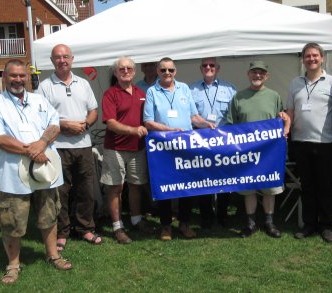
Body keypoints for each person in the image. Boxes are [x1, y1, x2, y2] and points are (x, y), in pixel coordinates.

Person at [0, 59, 73, 284]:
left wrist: (41, 144)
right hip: (12, 175)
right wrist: (32, 150)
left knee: (49, 214)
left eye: (22, 75)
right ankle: (13, 265)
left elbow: (55, 125)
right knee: (12, 220)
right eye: (13, 75)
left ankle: (53, 255)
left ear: (27, 76)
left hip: (45, 171)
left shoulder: (39, 100)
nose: (18, 79)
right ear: (5, 76)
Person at [143, 57, 216, 241]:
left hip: (185, 147)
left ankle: (184, 224)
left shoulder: (184, 88)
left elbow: (193, 117)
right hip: (163, 147)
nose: (167, 73)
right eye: (163, 70)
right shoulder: (152, 91)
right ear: (158, 72)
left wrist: (206, 123)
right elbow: (148, 121)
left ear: (175, 71)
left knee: (186, 186)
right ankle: (166, 226)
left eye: (170, 70)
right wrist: (169, 130)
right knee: (165, 186)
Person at [37, 44, 101, 248]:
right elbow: (40, 116)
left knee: (86, 189)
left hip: (83, 145)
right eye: (58, 57)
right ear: (52, 60)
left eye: (66, 56)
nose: (62, 60)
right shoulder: (44, 86)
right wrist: (64, 125)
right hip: (57, 147)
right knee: (60, 191)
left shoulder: (83, 83)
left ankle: (85, 228)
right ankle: (62, 231)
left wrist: (86, 124)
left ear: (72, 59)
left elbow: (93, 110)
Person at [226, 60, 290, 239]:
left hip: (269, 153)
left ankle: (269, 222)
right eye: (254, 72)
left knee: (270, 188)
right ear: (248, 74)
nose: (257, 75)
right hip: (246, 153)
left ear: (266, 76)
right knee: (249, 189)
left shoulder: (274, 96)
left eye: (261, 73)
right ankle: (251, 223)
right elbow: (231, 125)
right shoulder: (238, 97)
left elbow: (281, 118)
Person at [286, 43, 332, 243]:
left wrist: (330, 131)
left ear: (322, 58)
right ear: (303, 59)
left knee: (325, 186)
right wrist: (287, 129)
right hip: (300, 143)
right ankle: (309, 224)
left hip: (325, 142)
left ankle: (326, 225)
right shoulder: (295, 83)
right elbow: (290, 111)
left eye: (315, 55)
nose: (311, 59)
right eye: (307, 56)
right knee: (307, 186)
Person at [101, 56, 155, 244]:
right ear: (116, 73)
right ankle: (117, 226)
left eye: (129, 68)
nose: (125, 71)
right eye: (121, 69)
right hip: (115, 148)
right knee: (116, 187)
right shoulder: (110, 94)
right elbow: (111, 123)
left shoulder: (142, 92)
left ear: (134, 71)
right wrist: (133, 130)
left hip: (137, 148)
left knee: (136, 185)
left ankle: (136, 219)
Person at [189, 57, 237, 228]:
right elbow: (189, 116)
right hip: (201, 141)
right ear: (200, 68)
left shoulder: (229, 89)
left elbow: (235, 116)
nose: (208, 68)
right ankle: (206, 216)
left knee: (224, 180)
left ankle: (223, 214)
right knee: (204, 180)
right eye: (205, 65)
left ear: (218, 67)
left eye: (212, 65)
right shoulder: (191, 89)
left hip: (223, 141)